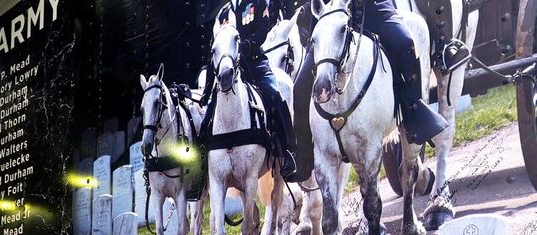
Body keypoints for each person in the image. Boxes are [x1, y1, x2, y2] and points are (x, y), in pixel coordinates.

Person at [288, 0, 471, 182]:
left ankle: (414, 115)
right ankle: (303, 157)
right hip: (332, 21)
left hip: (372, 10)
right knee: (300, 86)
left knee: (404, 43)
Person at [199, 0, 297, 179]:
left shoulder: (257, 2)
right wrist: (207, 88)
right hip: (229, 70)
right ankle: (202, 165)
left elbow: (262, 30)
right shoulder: (222, 14)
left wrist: (243, 47)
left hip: (254, 62)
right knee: (208, 114)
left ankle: (288, 151)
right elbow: (215, 49)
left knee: (275, 95)